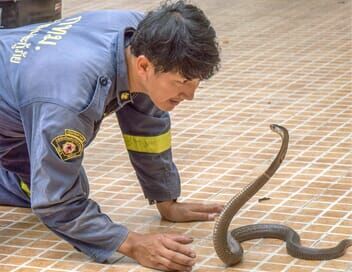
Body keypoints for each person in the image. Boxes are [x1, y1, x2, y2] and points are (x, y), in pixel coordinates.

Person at [0, 0, 222, 271]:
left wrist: (166, 199)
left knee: (54, 182)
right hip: (37, 98)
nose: (190, 95)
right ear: (143, 66)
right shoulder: (68, 99)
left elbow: (146, 122)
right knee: (60, 193)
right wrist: (130, 243)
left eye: (194, 82)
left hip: (18, 108)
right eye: (182, 83)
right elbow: (55, 203)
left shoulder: (143, 38)